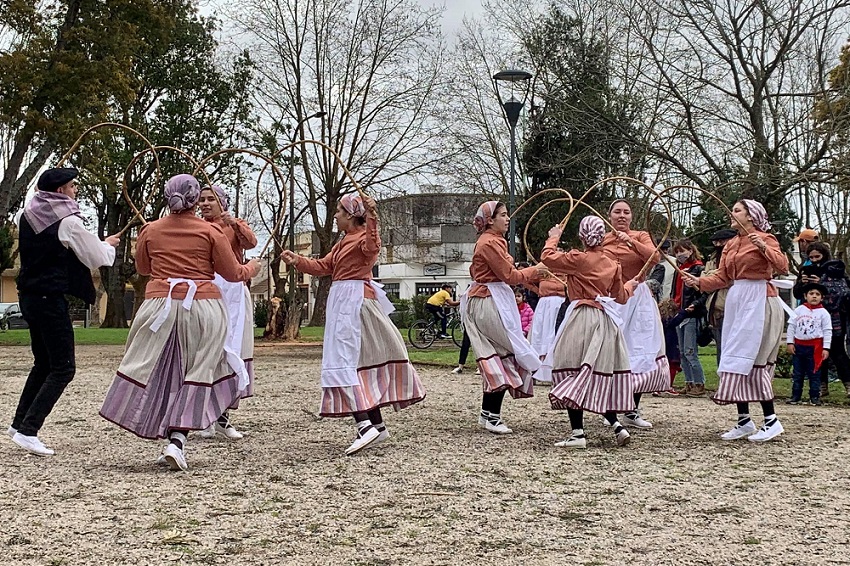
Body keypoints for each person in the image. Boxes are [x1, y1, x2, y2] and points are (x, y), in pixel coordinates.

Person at [100, 175, 261, 470]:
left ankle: (154, 423)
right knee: (199, 370)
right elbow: (233, 273)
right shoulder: (210, 232)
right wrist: (253, 266)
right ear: (194, 198)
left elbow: (143, 267)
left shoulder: (150, 230)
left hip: (159, 307)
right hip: (202, 307)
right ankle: (177, 439)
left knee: (156, 367)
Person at [281, 194, 425, 455]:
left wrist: (373, 217)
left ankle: (364, 425)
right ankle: (377, 426)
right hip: (345, 301)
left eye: (338, 211)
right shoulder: (343, 242)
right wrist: (297, 261)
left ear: (350, 215)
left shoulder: (362, 239)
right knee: (357, 363)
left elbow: (373, 246)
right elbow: (324, 266)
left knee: (343, 362)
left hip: (353, 303)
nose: (335, 215)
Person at [8, 167, 119, 456]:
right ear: (60, 191)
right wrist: (108, 246)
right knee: (63, 367)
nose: (75, 190)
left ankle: (18, 425)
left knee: (43, 364)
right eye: (72, 186)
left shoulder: (26, 215)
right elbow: (95, 255)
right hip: (49, 299)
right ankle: (29, 430)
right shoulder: (67, 221)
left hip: (28, 298)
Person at [683, 199, 789, 442]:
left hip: (760, 299)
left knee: (756, 358)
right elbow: (723, 277)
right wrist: (698, 282)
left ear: (751, 216)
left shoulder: (766, 238)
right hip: (737, 300)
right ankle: (744, 420)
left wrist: (762, 246)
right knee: (734, 356)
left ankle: (771, 420)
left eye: (737, 210)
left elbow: (782, 266)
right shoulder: (731, 244)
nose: (732, 213)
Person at [540, 217, 636, 448]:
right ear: (602, 235)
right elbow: (620, 297)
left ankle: (578, 433)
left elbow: (547, 258)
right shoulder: (613, 264)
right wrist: (632, 285)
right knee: (598, 372)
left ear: (582, 236)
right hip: (605, 320)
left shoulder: (578, 258)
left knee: (572, 369)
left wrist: (554, 235)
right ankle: (616, 425)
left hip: (582, 316)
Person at [461, 201, 547, 435]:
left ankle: (489, 414)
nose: (507, 219)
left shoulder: (493, 241)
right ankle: (491, 415)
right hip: (489, 300)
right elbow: (509, 275)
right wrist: (536, 270)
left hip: (493, 298)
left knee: (501, 355)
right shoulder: (489, 243)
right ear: (490, 220)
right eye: (503, 215)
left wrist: (533, 279)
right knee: (503, 354)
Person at [196, 185, 258, 440]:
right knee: (208, 350)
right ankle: (203, 416)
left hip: (233, 289)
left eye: (211, 199)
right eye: (202, 199)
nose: (206, 203)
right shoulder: (198, 227)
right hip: (209, 288)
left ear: (222, 202)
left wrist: (235, 224)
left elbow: (251, 242)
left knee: (233, 348)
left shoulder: (234, 224)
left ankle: (222, 416)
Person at [602, 199, 669, 429]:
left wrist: (630, 242)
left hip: (637, 298)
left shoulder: (640, 235)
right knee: (609, 352)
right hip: (610, 298)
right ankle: (608, 407)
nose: (622, 216)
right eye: (617, 211)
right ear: (609, 215)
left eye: (626, 212)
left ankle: (632, 409)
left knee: (638, 349)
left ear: (631, 216)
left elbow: (654, 258)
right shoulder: (602, 238)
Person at [793, 248, 850, 399]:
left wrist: (822, 283)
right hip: (812, 318)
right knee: (817, 353)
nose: (814, 260)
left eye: (817, 256)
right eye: (811, 257)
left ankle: (848, 383)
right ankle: (821, 385)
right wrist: (802, 283)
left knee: (837, 352)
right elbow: (798, 294)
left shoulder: (835, 269)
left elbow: (843, 291)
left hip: (835, 316)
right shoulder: (806, 269)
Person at [669, 239, 707, 396]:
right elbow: (676, 290)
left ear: (691, 251)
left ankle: (699, 382)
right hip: (678, 311)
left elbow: (704, 291)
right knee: (683, 352)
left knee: (690, 350)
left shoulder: (698, 268)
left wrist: (696, 304)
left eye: (682, 251)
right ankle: (689, 382)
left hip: (690, 312)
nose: (680, 255)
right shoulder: (678, 269)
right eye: (677, 252)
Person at [786, 283, 832, 406]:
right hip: (799, 347)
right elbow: (792, 326)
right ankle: (795, 396)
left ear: (822, 298)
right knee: (798, 373)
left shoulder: (824, 313)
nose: (814, 296)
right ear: (805, 296)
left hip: (815, 348)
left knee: (814, 374)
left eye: (817, 294)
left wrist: (826, 348)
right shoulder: (799, 310)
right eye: (811, 294)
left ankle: (814, 396)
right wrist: (790, 342)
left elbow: (827, 331)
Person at [704, 228, 737, 364]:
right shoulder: (711, 260)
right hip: (715, 310)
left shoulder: (735, 257)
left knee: (731, 347)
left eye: (721, 241)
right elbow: (705, 282)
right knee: (720, 347)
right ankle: (722, 379)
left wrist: (716, 279)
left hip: (731, 307)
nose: (718, 245)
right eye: (715, 242)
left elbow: (731, 278)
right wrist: (715, 280)